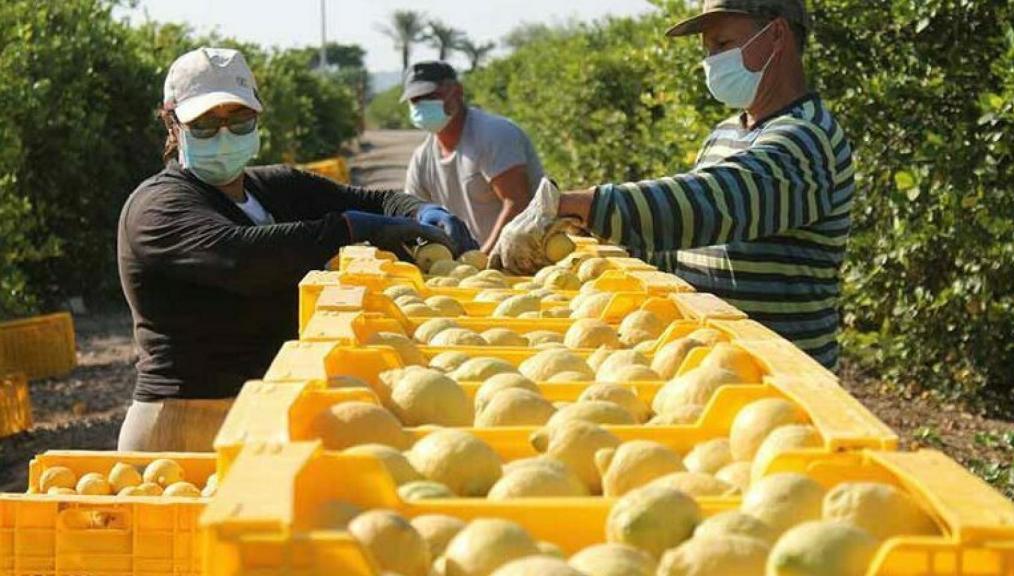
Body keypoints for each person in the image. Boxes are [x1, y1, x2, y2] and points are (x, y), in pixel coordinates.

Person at [117, 47, 468, 451]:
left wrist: (421, 209)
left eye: (239, 119)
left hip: (258, 410)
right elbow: (241, 259)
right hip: (183, 420)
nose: (224, 134)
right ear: (172, 122)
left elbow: (372, 201)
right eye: (205, 124)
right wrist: (348, 230)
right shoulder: (158, 206)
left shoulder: (272, 189)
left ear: (258, 116)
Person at [491, 0, 854, 371]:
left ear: (776, 34)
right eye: (707, 49)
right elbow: (685, 243)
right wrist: (600, 236)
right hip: (716, 369)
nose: (711, 61)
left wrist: (579, 204)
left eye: (723, 44)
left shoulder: (808, 138)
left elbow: (713, 204)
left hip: (782, 379)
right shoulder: (725, 134)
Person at [402, 60, 546, 254]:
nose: (421, 105)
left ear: (457, 91)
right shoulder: (422, 159)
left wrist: (482, 259)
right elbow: (414, 214)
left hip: (522, 258)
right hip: (469, 269)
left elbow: (518, 202)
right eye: (415, 100)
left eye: (430, 96)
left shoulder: (494, 134)